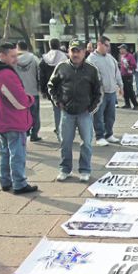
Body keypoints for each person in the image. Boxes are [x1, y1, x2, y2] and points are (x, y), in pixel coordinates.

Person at [0, 42, 38, 194]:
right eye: (12, 56)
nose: (16, 59)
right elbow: (20, 101)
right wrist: (30, 99)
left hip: (0, 119)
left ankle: (5, 180)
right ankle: (19, 183)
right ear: (2, 55)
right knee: (17, 153)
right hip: (12, 119)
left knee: (4, 152)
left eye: (16, 55)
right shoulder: (5, 73)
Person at [48, 38, 102, 182]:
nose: (75, 54)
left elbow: (98, 91)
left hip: (85, 113)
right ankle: (65, 169)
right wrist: (58, 102)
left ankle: (85, 170)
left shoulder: (91, 69)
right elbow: (51, 86)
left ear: (84, 52)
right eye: (73, 51)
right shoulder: (61, 67)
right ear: (68, 51)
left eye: (79, 51)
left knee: (87, 143)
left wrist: (92, 108)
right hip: (66, 112)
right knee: (65, 143)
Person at [87, 35, 123, 145]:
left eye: (109, 46)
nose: (108, 48)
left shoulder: (110, 58)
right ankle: (100, 136)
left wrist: (121, 86)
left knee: (110, 115)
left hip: (111, 92)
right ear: (99, 44)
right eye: (106, 45)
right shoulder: (91, 59)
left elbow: (117, 72)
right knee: (98, 116)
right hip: (100, 93)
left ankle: (109, 134)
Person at [39, 38, 68, 140]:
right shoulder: (65, 58)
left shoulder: (44, 59)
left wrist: (43, 90)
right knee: (65, 110)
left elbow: (41, 76)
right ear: (59, 45)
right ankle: (65, 131)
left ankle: (59, 131)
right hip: (64, 87)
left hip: (50, 87)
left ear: (49, 45)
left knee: (56, 109)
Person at [15, 40, 41, 142]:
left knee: (22, 114)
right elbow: (40, 73)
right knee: (35, 114)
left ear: (18, 47)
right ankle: (34, 134)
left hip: (19, 92)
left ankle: (24, 132)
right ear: (27, 47)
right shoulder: (34, 58)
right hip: (33, 90)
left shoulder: (14, 59)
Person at [118, 44, 138, 110]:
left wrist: (128, 66)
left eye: (121, 49)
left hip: (128, 76)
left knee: (130, 91)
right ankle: (127, 104)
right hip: (123, 75)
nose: (120, 50)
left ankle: (135, 104)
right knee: (124, 90)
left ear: (124, 49)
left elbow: (134, 65)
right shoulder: (122, 56)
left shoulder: (130, 56)